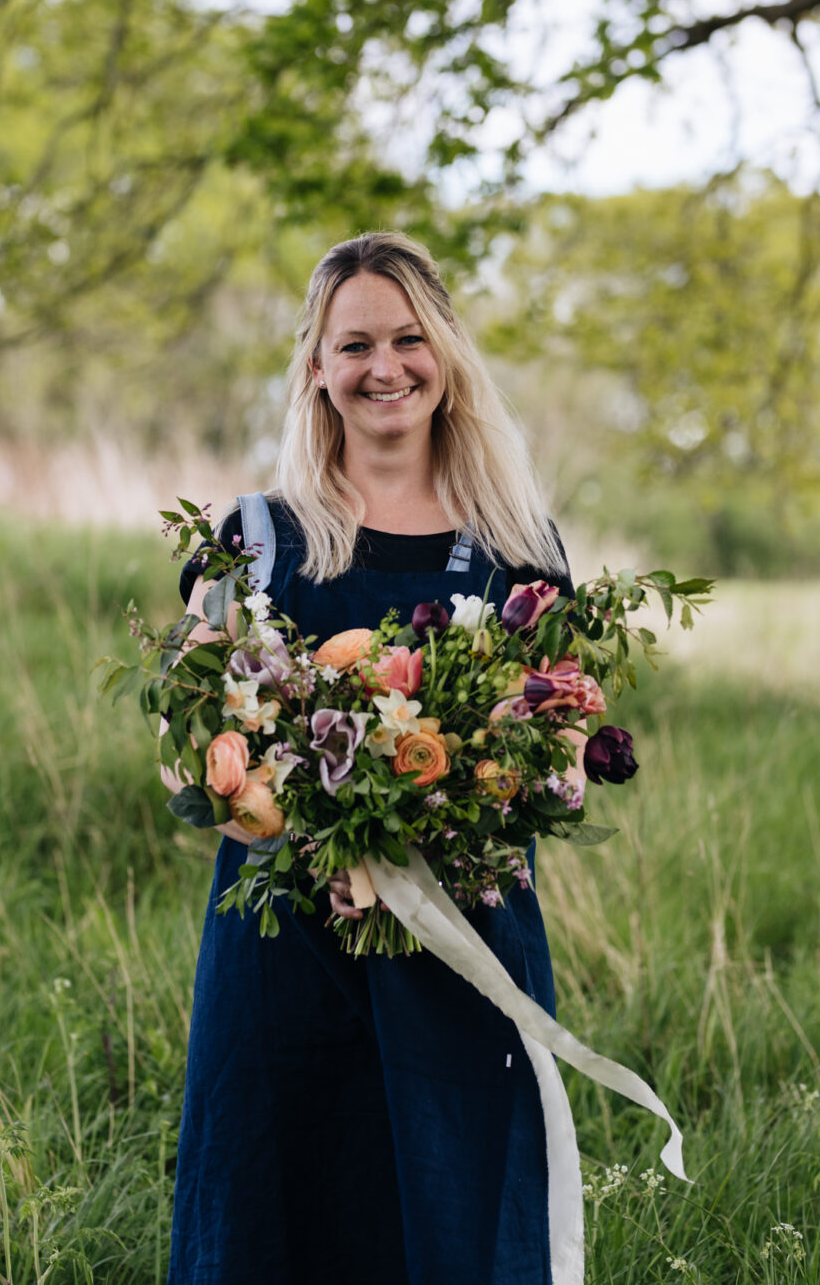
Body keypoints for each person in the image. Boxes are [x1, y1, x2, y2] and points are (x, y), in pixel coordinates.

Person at [165, 233, 581, 1285]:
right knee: (281, 1215)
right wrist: (291, 819)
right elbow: (182, 758)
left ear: (444, 353)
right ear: (315, 366)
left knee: (457, 1221)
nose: (384, 367)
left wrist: (536, 779)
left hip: (464, 950)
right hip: (287, 960)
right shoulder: (250, 542)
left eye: (407, 338)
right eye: (354, 345)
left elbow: (561, 738)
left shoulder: (519, 548)